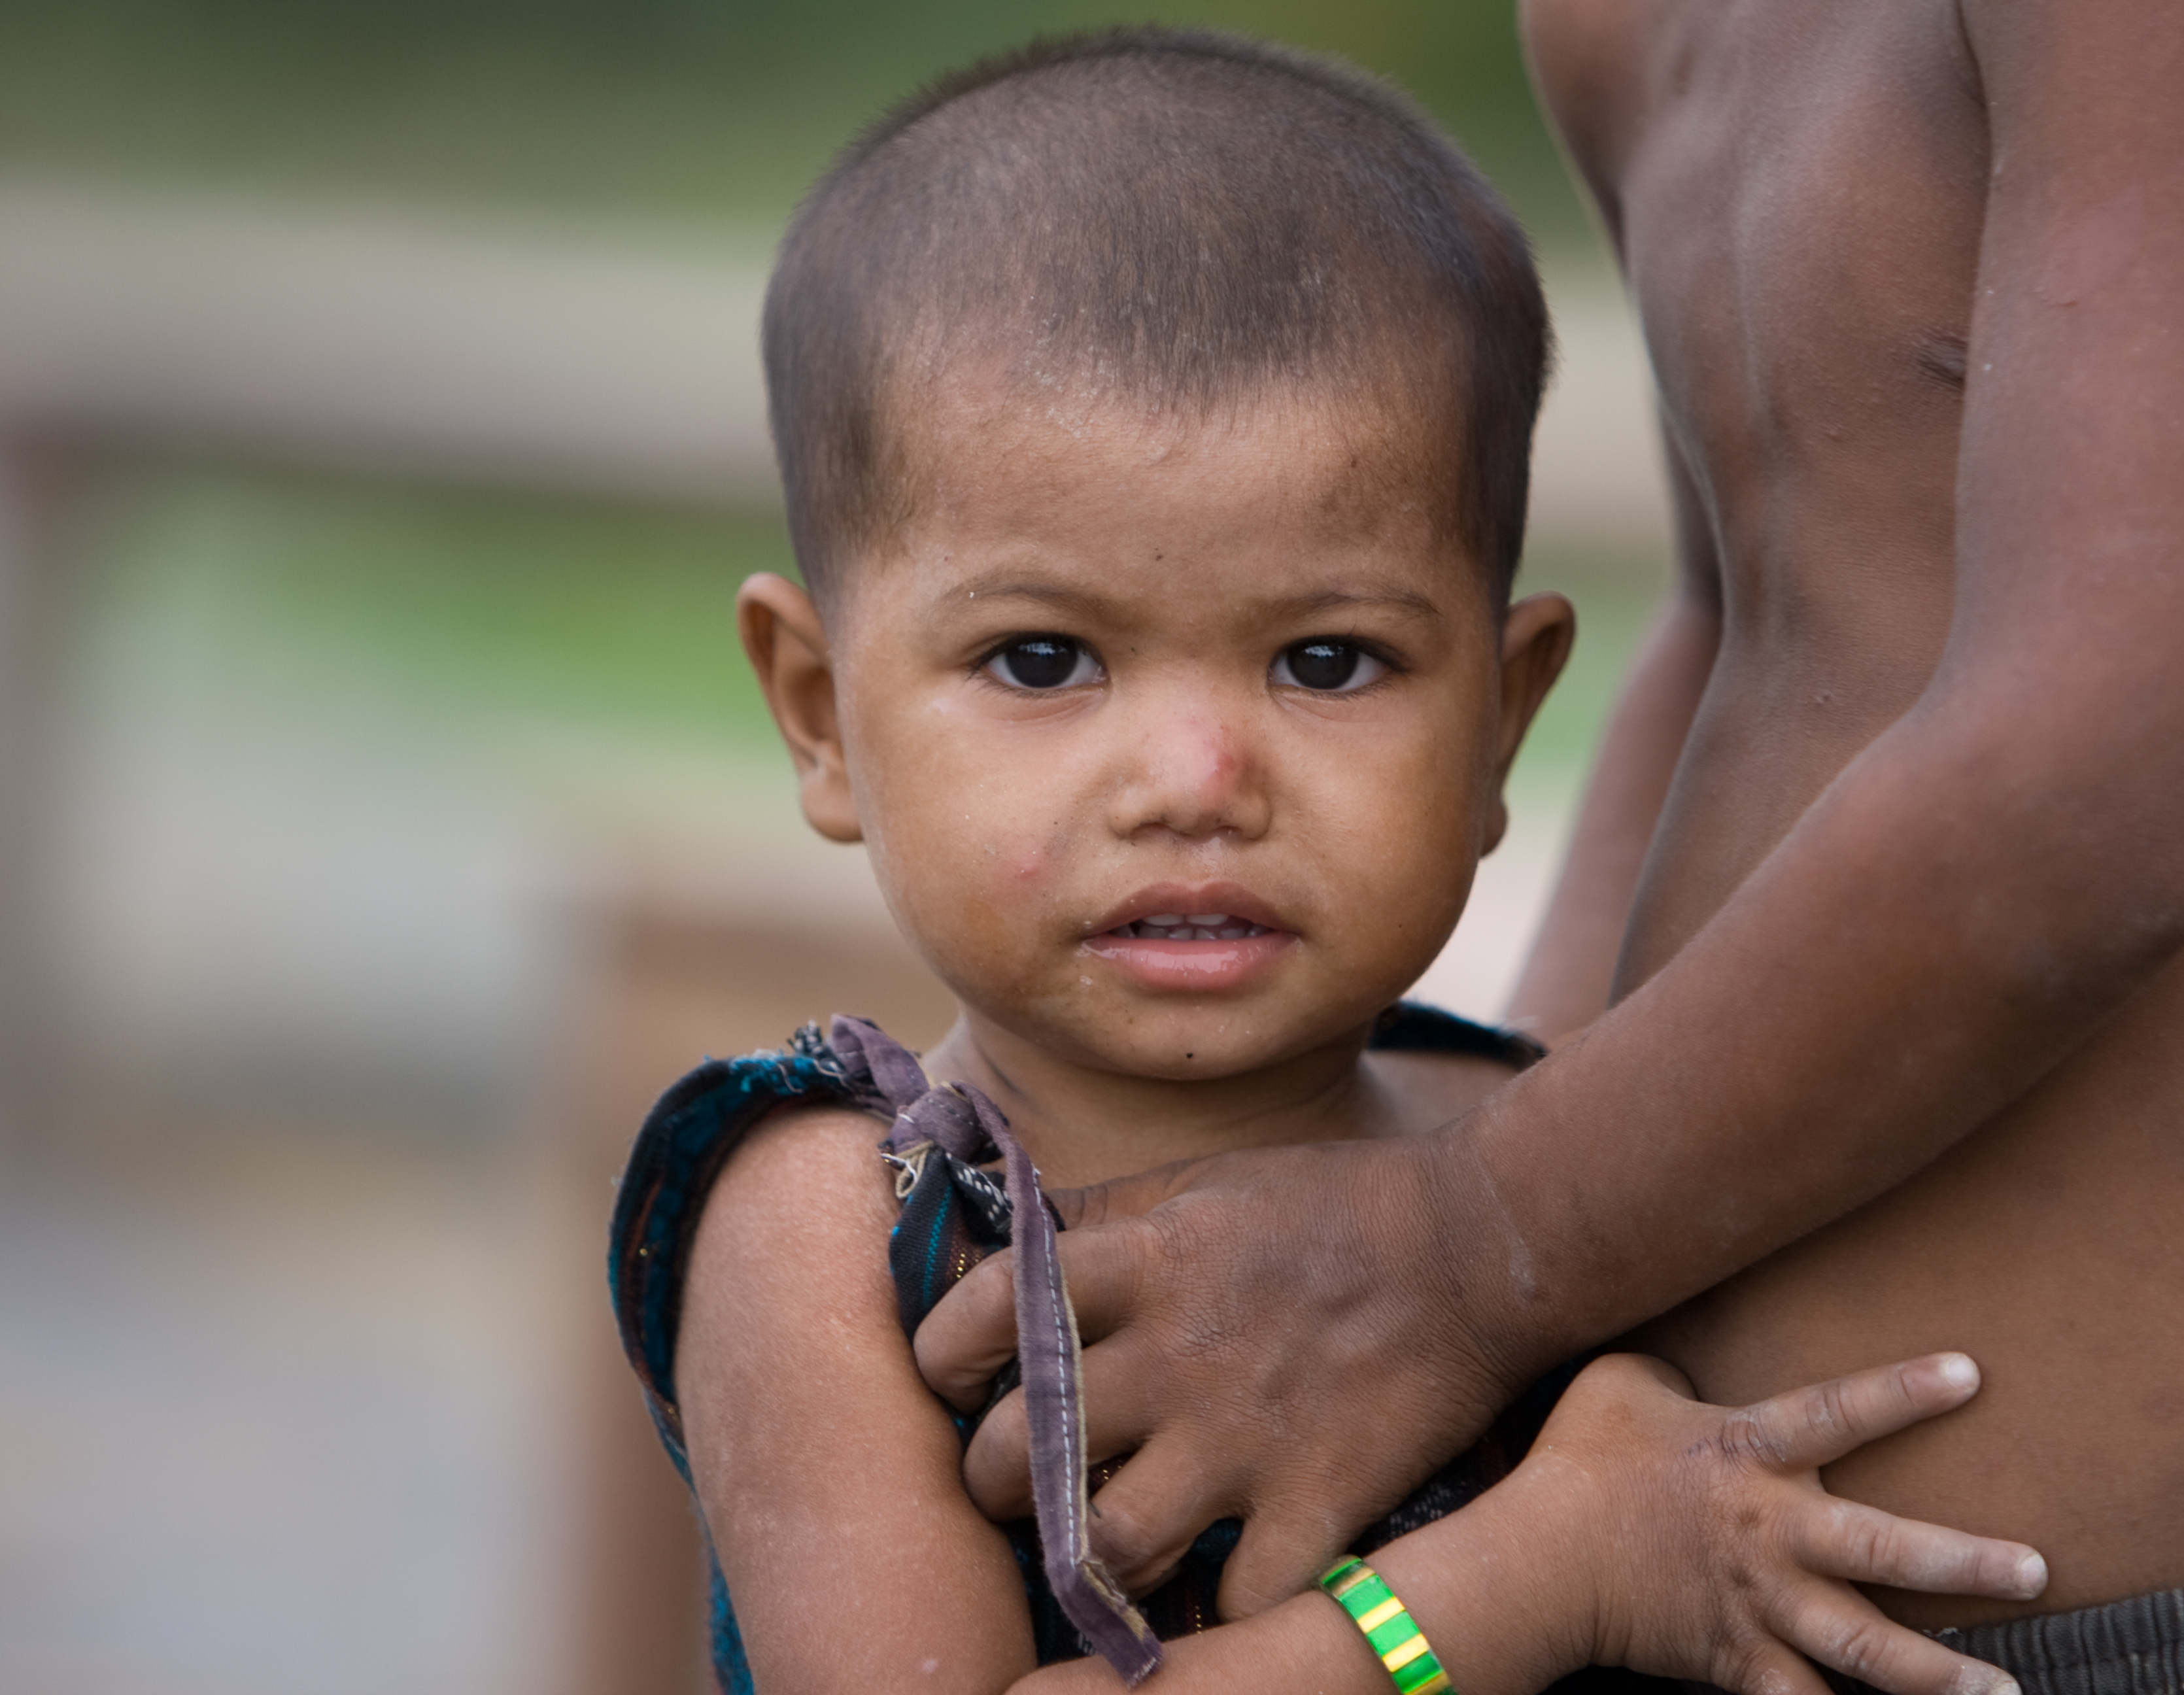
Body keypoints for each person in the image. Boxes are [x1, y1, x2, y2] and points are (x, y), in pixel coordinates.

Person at [886, 3, 2184, 1692]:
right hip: (1676, 1576)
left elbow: (2098, 781)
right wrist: (1458, 1291)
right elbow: (1750, 619)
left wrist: (1461, 1254)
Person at [607, 27, 2048, 1695]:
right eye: (1042, 660)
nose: (1198, 783)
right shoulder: (828, 1229)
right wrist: (1527, 1579)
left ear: (1500, 726)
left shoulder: (1551, 1166)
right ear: (820, 718)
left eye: (1328, 664)